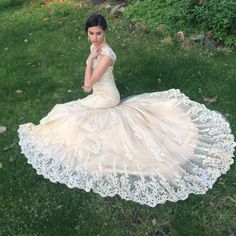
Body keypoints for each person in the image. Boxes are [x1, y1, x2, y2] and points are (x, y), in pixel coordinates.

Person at [18, 13, 235, 207]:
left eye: (99, 33)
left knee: (73, 116)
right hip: (99, 95)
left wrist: (90, 62)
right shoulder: (95, 48)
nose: (95, 38)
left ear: (105, 32)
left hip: (107, 98)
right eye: (91, 33)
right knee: (71, 115)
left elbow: (88, 85)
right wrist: (91, 57)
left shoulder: (106, 55)